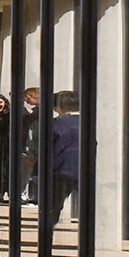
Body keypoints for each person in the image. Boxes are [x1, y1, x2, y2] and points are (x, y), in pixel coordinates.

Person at [50, 90, 80, 221]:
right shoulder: (89, 122)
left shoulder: (55, 124)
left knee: (54, 206)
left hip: (60, 170)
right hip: (85, 170)